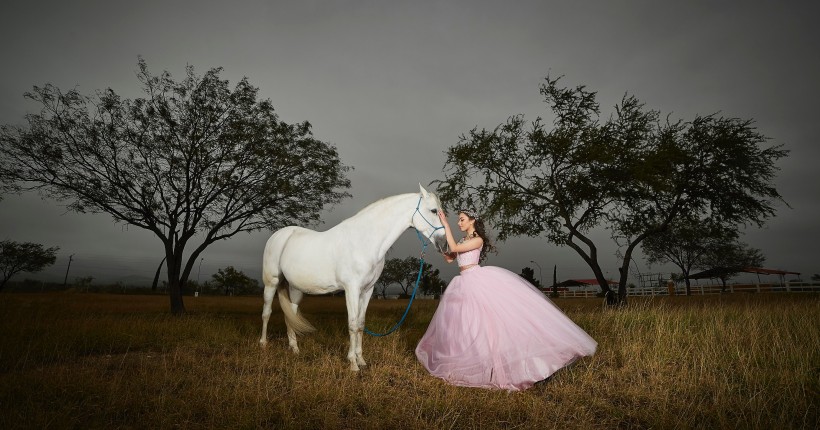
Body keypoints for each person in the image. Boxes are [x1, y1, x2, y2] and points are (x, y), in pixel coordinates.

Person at [415, 209, 597, 391]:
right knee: (468, 325)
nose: (459, 223)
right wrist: (437, 242)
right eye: (458, 221)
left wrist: (445, 224)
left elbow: (454, 249)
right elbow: (450, 257)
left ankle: (527, 363)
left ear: (472, 221)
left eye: (462, 220)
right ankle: (476, 360)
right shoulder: (463, 240)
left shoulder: (477, 240)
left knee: (493, 323)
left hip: (476, 281)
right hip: (463, 282)